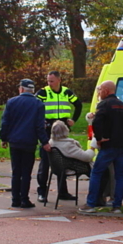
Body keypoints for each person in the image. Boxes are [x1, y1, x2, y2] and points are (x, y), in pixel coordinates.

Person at [79, 80, 123, 214]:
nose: (99, 92)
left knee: (96, 172)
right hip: (122, 146)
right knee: (119, 175)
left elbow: (97, 122)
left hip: (109, 146)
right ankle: (117, 206)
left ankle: (91, 204)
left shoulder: (104, 105)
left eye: (100, 90)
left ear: (106, 91)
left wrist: (99, 138)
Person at [0, 79, 51, 208]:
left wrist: (3, 138)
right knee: (26, 172)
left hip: (15, 141)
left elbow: (5, 122)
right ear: (32, 90)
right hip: (29, 142)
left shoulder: (11, 102)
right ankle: (24, 199)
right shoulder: (38, 104)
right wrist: (44, 141)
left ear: (21, 89)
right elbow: (39, 126)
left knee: (16, 171)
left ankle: (15, 199)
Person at [36, 71, 82, 202]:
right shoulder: (43, 93)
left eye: (52, 81)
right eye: (48, 81)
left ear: (59, 80)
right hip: (47, 129)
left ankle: (63, 192)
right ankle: (42, 192)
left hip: (61, 130)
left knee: (62, 161)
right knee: (45, 161)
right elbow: (34, 106)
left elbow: (78, 105)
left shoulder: (66, 92)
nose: (49, 84)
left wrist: (74, 119)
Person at [48, 120, 96, 199]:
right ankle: (97, 196)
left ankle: (62, 193)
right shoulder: (68, 145)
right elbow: (87, 157)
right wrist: (93, 147)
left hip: (57, 168)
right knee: (99, 172)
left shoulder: (51, 142)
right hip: (73, 167)